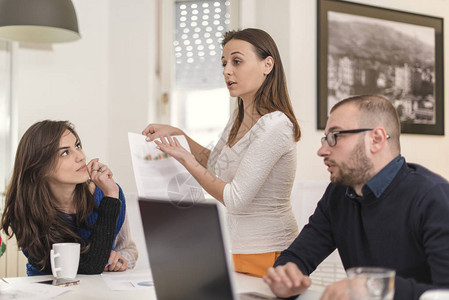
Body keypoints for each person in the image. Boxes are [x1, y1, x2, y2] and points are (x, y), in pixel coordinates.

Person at [142, 28, 301, 277]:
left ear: (267, 64)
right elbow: (215, 166)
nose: (227, 70)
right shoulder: (240, 115)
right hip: (237, 249)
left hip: (271, 251)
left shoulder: (276, 124)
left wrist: (186, 160)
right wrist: (180, 136)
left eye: (237, 61)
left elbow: (236, 199)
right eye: (224, 63)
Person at [263, 95, 449, 300]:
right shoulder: (338, 194)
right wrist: (285, 278)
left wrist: (377, 288)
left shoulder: (434, 198)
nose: (322, 150)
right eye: (325, 139)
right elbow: (297, 258)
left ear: (376, 139)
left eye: (335, 136)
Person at [1, 120, 138, 276]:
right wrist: (111, 199)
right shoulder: (25, 207)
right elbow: (83, 267)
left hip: (97, 289)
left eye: (77, 146)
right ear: (41, 168)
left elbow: (127, 249)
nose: (81, 156)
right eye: (65, 152)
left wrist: (120, 260)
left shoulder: (108, 193)